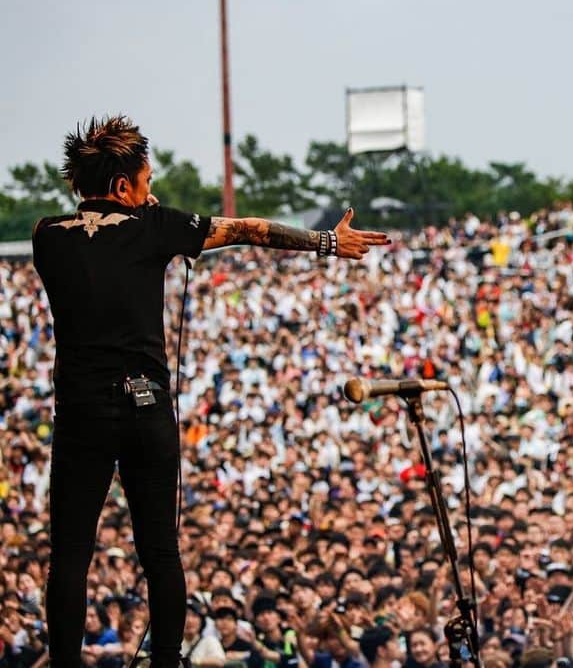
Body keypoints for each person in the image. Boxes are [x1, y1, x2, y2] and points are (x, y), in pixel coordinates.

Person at [31, 115, 390, 668]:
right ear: (125, 185)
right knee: (159, 551)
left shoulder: (46, 236)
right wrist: (326, 242)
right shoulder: (157, 228)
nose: (153, 193)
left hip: (81, 412)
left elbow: (101, 244)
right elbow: (248, 229)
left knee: (71, 553)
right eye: (146, 183)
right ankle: (168, 661)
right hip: (144, 405)